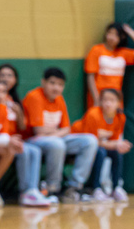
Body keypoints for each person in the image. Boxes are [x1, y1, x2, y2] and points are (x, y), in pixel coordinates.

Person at [22, 67, 99, 203]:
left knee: (90, 140)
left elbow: (67, 129)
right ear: (43, 82)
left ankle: (74, 187)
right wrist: (57, 133)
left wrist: (54, 132)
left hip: (56, 139)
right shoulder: (34, 96)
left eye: (60, 84)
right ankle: (52, 188)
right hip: (32, 141)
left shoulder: (59, 99)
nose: (56, 88)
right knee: (57, 144)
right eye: (52, 83)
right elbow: (39, 131)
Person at [0, 64, 52, 207]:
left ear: (15, 80)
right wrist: (8, 139)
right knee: (24, 151)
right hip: (0, 139)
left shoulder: (14, 100)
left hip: (15, 139)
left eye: (9, 75)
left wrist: (19, 112)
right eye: (2, 75)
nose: (6, 78)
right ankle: (24, 191)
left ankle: (32, 190)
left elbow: (22, 127)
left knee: (35, 151)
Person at [73, 88, 130, 202]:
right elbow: (90, 142)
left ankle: (116, 188)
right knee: (100, 152)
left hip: (98, 145)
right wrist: (115, 145)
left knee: (116, 152)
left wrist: (119, 145)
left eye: (112, 100)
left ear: (118, 103)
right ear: (100, 101)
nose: (108, 103)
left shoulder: (120, 117)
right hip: (79, 145)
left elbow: (112, 141)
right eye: (105, 100)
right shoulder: (93, 114)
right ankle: (96, 189)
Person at [84, 22, 134, 106]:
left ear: (122, 37)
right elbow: (90, 77)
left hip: (116, 97)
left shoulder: (123, 53)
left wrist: (130, 32)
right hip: (99, 97)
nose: (111, 37)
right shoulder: (96, 50)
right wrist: (96, 99)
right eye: (110, 33)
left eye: (116, 35)